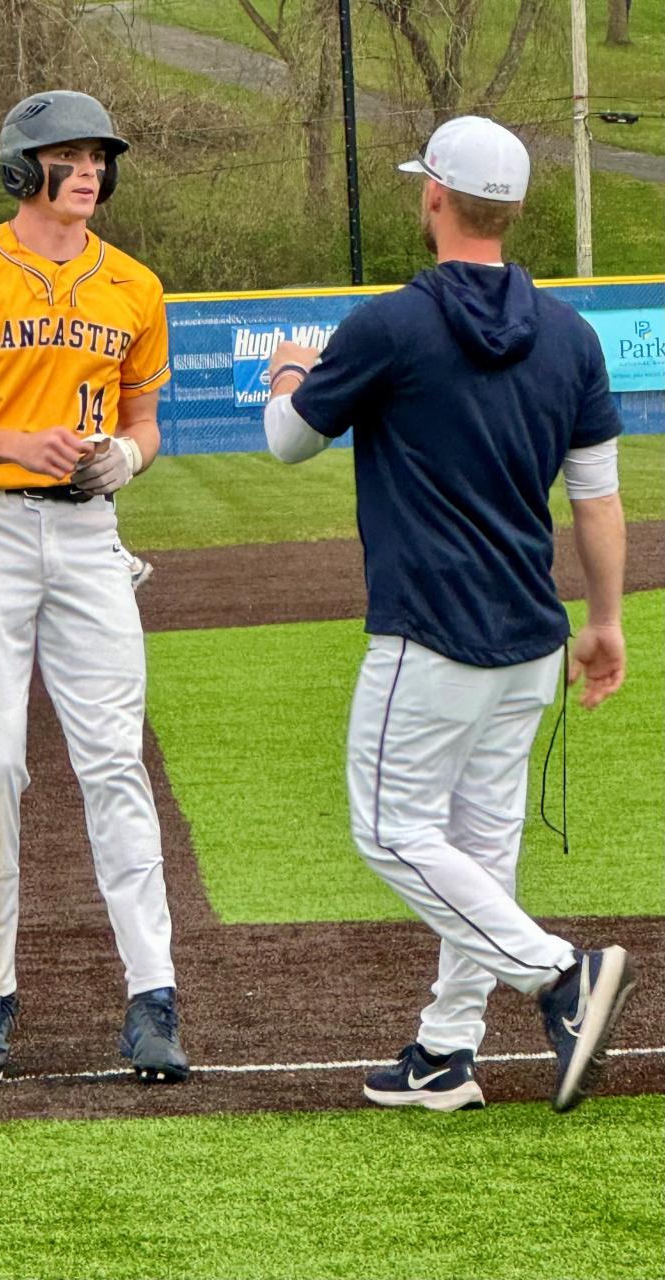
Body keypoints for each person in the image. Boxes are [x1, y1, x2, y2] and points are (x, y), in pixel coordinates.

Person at [263, 115, 634, 1113]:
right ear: (509, 210)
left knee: (389, 829)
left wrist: (292, 370)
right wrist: (606, 620)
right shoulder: (571, 333)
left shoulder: (389, 323)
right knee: (477, 846)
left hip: (429, 628)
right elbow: (595, 497)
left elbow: (288, 443)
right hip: (532, 631)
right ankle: (443, 1052)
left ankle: (560, 975)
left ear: (433, 195)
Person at [0, 89, 188, 1084]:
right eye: (68, 155)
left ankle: (154, 995)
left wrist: (129, 462)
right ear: (24, 170)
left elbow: (143, 420)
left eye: (99, 154)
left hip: (89, 532)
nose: (90, 169)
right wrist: (18, 442)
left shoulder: (134, 287)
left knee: (115, 761)